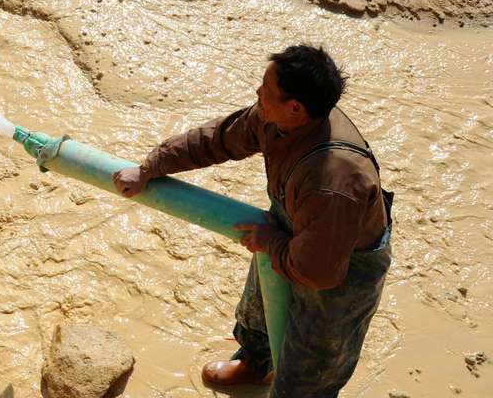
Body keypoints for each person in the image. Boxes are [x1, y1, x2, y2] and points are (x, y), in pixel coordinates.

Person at [112, 44, 393, 397]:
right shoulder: (274, 118)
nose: (257, 93)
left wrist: (272, 242)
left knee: (310, 369)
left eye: (266, 88)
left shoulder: (334, 180)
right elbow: (216, 140)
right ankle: (255, 365)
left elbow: (319, 272)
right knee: (259, 307)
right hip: (294, 225)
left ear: (295, 107)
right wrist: (150, 167)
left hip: (341, 266)